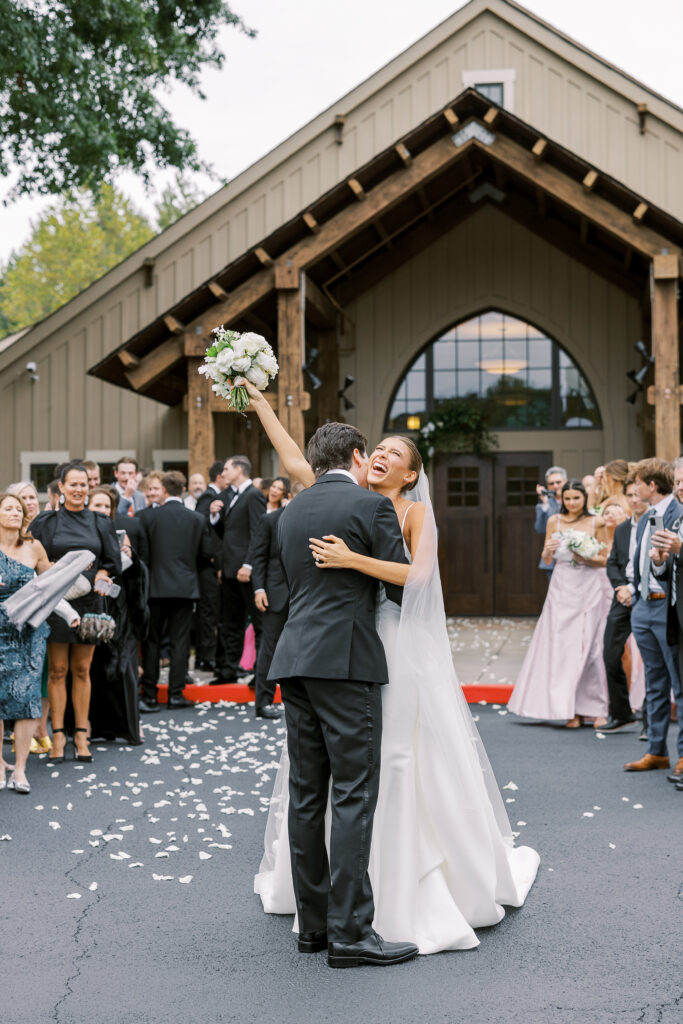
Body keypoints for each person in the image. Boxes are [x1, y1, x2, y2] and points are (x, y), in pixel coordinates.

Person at [245, 382, 539, 961]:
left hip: (386, 646)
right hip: (351, 650)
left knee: (385, 766)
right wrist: (259, 402)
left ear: (409, 476)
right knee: (351, 783)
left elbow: (422, 581)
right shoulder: (346, 497)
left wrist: (354, 559)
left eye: (396, 455)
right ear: (359, 459)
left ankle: (336, 915)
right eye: (377, 448)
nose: (382, 455)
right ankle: (349, 928)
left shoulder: (405, 510)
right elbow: (294, 456)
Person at [29, 462, 122, 763]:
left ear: (89, 487)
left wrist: (103, 574)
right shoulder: (47, 522)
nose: (80, 490)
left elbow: (110, 560)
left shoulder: (100, 521)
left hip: (90, 601)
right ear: (62, 487)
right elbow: (33, 557)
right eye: (74, 484)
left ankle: (81, 735)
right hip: (56, 602)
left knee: (82, 670)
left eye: (84, 485)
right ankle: (58, 736)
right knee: (57, 671)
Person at [509, 479, 611, 728]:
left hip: (589, 585)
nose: (572, 503)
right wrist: (549, 550)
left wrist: (585, 556)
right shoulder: (554, 521)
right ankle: (570, 710)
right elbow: (546, 556)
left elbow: (606, 559)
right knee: (563, 648)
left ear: (584, 498)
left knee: (592, 648)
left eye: (576, 498)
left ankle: (598, 709)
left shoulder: (597, 522)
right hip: (562, 586)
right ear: (562, 499)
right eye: (567, 498)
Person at [0, 493, 75, 794]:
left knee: (28, 701)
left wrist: (70, 613)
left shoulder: (33, 547)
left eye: (19, 509)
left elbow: (51, 587)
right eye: (8, 509)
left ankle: (19, 769)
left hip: (27, 634)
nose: (16, 513)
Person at [139, 472, 213, 712]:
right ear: (182, 489)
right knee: (180, 642)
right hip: (184, 587)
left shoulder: (147, 517)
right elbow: (205, 554)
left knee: (152, 641)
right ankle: (176, 694)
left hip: (155, 587)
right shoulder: (196, 519)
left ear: (165, 489)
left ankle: (149, 694)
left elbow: (144, 555)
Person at [631, 459, 683, 777]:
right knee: (654, 682)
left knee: (679, 683)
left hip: (669, 607)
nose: (679, 486)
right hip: (643, 606)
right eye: (678, 480)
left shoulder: (678, 514)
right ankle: (656, 750)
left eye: (638, 483)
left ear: (652, 485)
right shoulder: (645, 518)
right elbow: (643, 560)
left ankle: (681, 755)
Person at [87, 488, 149, 744]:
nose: (102, 510)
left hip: (120, 610)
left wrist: (130, 557)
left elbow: (138, 575)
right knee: (92, 670)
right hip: (90, 607)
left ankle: (130, 725)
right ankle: (91, 726)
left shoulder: (120, 536)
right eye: (97, 505)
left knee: (124, 669)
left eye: (106, 506)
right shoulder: (82, 536)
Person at [208, 457, 266, 686]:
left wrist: (249, 564)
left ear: (240, 470)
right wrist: (214, 517)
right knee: (230, 623)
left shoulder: (253, 495)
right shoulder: (229, 496)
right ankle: (228, 671)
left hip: (246, 570)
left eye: (226, 469)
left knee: (259, 624)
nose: (222, 473)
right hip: (230, 570)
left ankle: (260, 676)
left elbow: (257, 533)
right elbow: (230, 534)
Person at [600, 476, 649, 733]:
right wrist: (621, 587)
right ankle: (621, 713)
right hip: (622, 596)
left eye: (638, 495)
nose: (634, 500)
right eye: (629, 495)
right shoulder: (621, 529)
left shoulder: (656, 524)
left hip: (648, 595)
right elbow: (612, 562)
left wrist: (633, 589)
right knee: (610, 653)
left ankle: (650, 722)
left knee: (653, 658)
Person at [6, 482, 50, 753]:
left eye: (29, 500)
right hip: (3, 625)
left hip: (31, 626)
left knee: (32, 685)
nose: (20, 509)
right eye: (11, 506)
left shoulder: (35, 545)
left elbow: (51, 581)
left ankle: (34, 733)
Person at [248, 493, 293, 719]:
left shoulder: (315, 518)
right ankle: (263, 702)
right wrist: (259, 589)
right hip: (274, 594)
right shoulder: (269, 520)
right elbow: (258, 558)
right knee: (269, 648)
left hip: (304, 595)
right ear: (290, 497)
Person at [192, 461, 227, 672]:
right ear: (219, 477)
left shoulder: (215, 497)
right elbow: (202, 528)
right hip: (207, 566)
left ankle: (208, 656)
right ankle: (206, 657)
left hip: (211, 566)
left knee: (211, 611)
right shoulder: (208, 498)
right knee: (208, 612)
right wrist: (213, 556)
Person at [534, 466, 567, 583]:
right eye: (551, 483)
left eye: (558, 482)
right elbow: (540, 529)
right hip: (552, 559)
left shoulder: (574, 500)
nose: (555, 486)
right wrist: (545, 503)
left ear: (565, 482)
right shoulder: (544, 505)